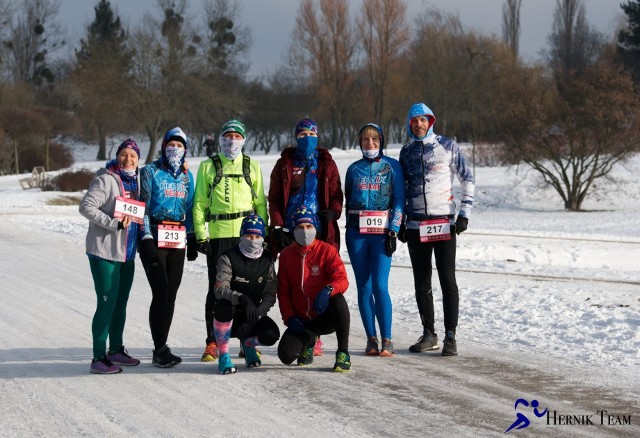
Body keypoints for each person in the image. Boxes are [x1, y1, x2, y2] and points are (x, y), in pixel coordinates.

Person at [398, 103, 475, 356]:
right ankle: (429, 333)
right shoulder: (406, 152)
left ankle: (451, 335)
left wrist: (464, 213)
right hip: (415, 225)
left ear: (430, 121)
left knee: (447, 280)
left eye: (423, 120)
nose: (419, 124)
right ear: (409, 124)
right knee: (422, 282)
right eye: (414, 121)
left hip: (443, 222)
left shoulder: (448, 146)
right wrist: (399, 222)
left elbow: (467, 179)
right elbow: (401, 190)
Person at [192, 119, 268, 362]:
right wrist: (201, 235)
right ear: (221, 138)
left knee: (249, 289)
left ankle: (248, 341)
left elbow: (260, 203)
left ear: (244, 140)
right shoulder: (208, 166)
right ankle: (212, 341)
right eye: (228, 136)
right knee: (218, 290)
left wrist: (262, 235)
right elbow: (199, 203)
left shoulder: (252, 166)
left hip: (247, 234)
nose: (232, 140)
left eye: (237, 136)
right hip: (219, 234)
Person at [268, 117, 343, 356]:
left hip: (318, 230)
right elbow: (276, 199)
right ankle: (299, 326)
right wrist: (278, 226)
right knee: (293, 281)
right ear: (295, 138)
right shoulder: (285, 163)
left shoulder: (326, 163)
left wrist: (334, 212)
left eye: (311, 135)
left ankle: (316, 335)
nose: (307, 139)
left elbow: (336, 194)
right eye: (302, 135)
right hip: (291, 230)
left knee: (317, 281)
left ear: (318, 137)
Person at [79, 139, 143, 374]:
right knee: (106, 304)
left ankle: (115, 349)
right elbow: (86, 206)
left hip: (127, 253)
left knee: (120, 303)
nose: (128, 159)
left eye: (133, 156)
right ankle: (98, 356)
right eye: (124, 154)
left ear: (138, 159)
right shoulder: (106, 179)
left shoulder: (137, 181)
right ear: (117, 156)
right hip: (104, 252)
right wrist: (112, 223)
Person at [139, 127, 197, 368]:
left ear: (185, 149)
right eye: (171, 144)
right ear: (163, 146)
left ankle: (162, 348)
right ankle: (159, 348)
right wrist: (146, 238)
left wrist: (192, 238)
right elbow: (141, 205)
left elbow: (191, 207)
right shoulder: (150, 171)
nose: (175, 148)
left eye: (180, 145)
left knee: (171, 294)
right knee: (160, 292)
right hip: (154, 236)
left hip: (178, 238)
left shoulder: (186, 176)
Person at [345, 123, 404, 357]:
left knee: (380, 285)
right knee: (364, 286)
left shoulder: (392, 167)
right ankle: (371, 338)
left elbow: (399, 200)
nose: (370, 144)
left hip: (382, 235)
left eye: (375, 140)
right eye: (365, 140)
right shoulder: (353, 169)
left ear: (381, 142)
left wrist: (394, 230)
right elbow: (348, 198)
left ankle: (387, 339)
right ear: (360, 143)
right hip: (356, 233)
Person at [276, 207, 351, 372]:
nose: (305, 231)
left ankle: (343, 352)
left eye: (309, 226)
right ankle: (309, 341)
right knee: (286, 355)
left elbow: (342, 279)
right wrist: (289, 317)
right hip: (302, 320)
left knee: (338, 300)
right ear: (293, 231)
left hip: (324, 314)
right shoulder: (286, 255)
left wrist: (328, 289)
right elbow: (283, 292)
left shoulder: (327, 250)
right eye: (300, 227)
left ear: (315, 228)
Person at [212, 214, 280, 374]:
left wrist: (257, 313)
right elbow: (220, 288)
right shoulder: (228, 257)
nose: (253, 239)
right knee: (222, 306)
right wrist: (242, 299)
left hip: (252, 314)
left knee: (271, 335)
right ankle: (224, 355)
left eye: (257, 236)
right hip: (232, 312)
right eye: (249, 235)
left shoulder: (267, 259)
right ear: (241, 235)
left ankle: (249, 345)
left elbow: (270, 293)